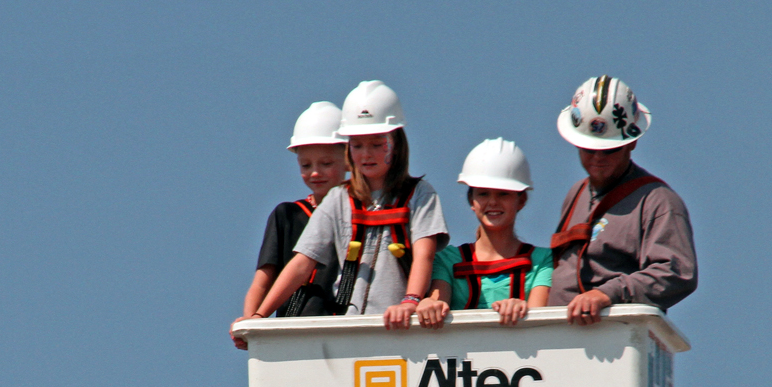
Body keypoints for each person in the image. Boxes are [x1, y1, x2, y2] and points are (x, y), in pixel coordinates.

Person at [244, 81, 448, 330]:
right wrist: (259, 315)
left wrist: (410, 302)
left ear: (396, 143)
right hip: (354, 327)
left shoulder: (420, 193)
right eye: (357, 145)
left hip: (403, 323)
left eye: (376, 144)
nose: (366, 154)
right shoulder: (339, 198)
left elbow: (425, 255)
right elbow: (302, 263)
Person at [549, 75, 697, 326]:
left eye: (609, 150)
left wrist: (608, 294)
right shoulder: (576, 194)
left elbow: (676, 272)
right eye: (589, 149)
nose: (598, 158)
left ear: (632, 142)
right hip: (558, 335)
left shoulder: (657, 201)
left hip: (614, 338)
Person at [230, 102, 348, 349]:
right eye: (306, 165)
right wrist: (251, 321)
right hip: (294, 334)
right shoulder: (288, 215)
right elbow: (263, 279)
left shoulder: (362, 214)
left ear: (349, 160)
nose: (315, 173)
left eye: (326, 163)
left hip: (348, 328)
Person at [416, 138, 552, 329]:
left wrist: (523, 310)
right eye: (483, 193)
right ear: (471, 200)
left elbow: (540, 321)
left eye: (503, 193)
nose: (493, 202)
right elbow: (438, 301)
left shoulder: (543, 260)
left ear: (521, 201)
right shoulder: (447, 259)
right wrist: (428, 303)